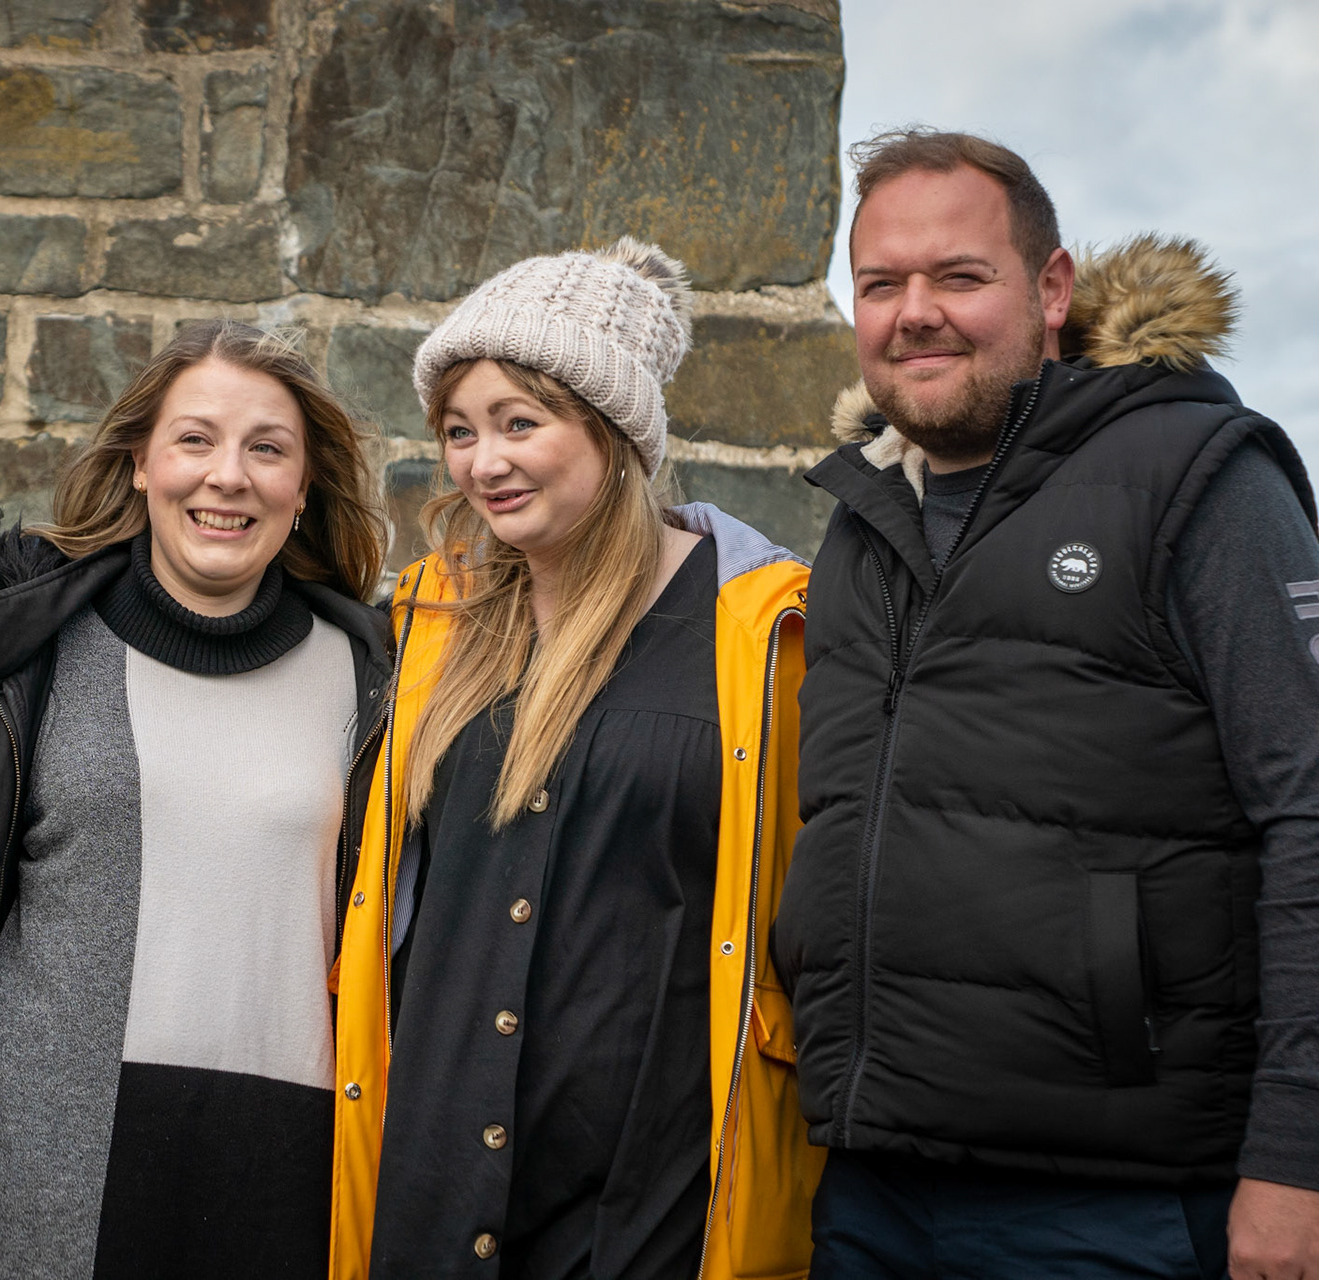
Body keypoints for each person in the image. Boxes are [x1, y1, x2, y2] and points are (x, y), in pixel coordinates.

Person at [774, 128, 1319, 1279]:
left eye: (959, 277)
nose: (914, 311)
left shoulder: (1197, 476)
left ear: (1052, 288)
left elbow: (1310, 814)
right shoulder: (858, 523)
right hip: (872, 1183)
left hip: (1110, 1208)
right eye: (882, 284)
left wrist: (1297, 1156)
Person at [330, 238, 823, 1279]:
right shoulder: (427, 628)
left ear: (615, 430)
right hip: (431, 1188)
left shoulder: (765, 631)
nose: (482, 461)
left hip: (649, 1208)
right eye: (460, 431)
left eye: (521, 421)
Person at [0, 319, 392, 1280]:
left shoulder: (375, 675)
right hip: (39, 1161)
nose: (229, 476)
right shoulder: (33, 647)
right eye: (195, 439)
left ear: (303, 489)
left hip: (282, 1159)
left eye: (268, 449)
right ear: (140, 462)